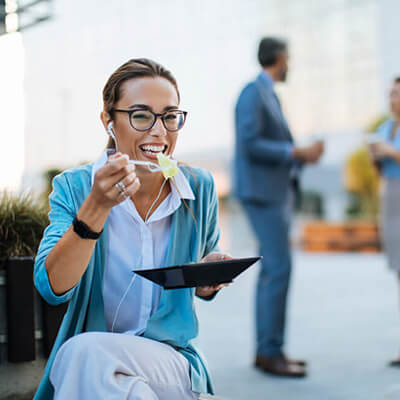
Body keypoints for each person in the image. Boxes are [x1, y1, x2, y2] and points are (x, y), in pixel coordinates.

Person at [33, 58, 231, 400]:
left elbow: (200, 273)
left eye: (170, 116)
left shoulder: (198, 188)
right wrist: (96, 207)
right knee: (90, 360)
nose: (160, 131)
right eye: (141, 116)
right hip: (95, 361)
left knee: (80, 355)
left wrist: (206, 280)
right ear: (108, 122)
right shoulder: (75, 187)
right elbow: (52, 288)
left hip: (168, 362)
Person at [233, 37, 323, 378]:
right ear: (280, 57)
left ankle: (268, 351)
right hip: (262, 194)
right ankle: (270, 353)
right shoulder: (252, 92)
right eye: (290, 57)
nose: (291, 64)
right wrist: (294, 152)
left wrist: (299, 155)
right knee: (278, 269)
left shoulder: (267, 93)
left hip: (273, 192)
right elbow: (250, 142)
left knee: (274, 270)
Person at [368, 77, 400, 367]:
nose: (394, 99)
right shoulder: (383, 129)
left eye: (398, 94)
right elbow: (380, 170)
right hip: (389, 198)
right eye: (391, 93)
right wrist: (376, 156)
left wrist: (394, 153)